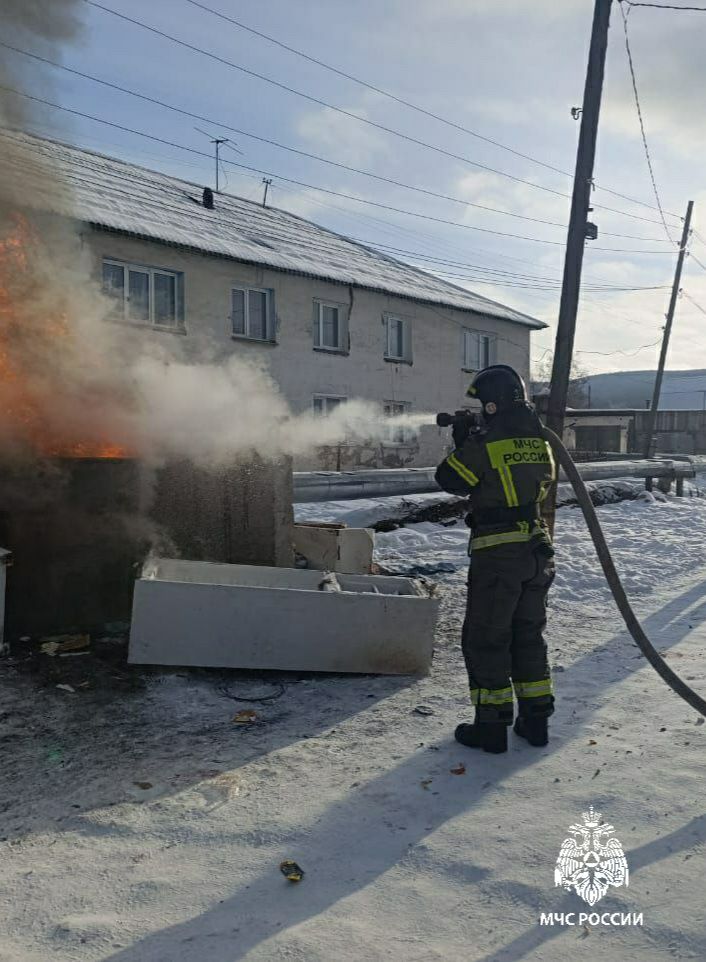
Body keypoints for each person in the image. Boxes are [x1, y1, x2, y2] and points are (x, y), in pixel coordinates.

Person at [435, 365, 557, 754]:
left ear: (491, 403)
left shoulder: (485, 443)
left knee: (487, 638)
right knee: (527, 635)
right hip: (536, 551)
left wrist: (462, 440)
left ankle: (490, 727)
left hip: (498, 554)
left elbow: (450, 479)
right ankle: (535, 722)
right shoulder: (540, 440)